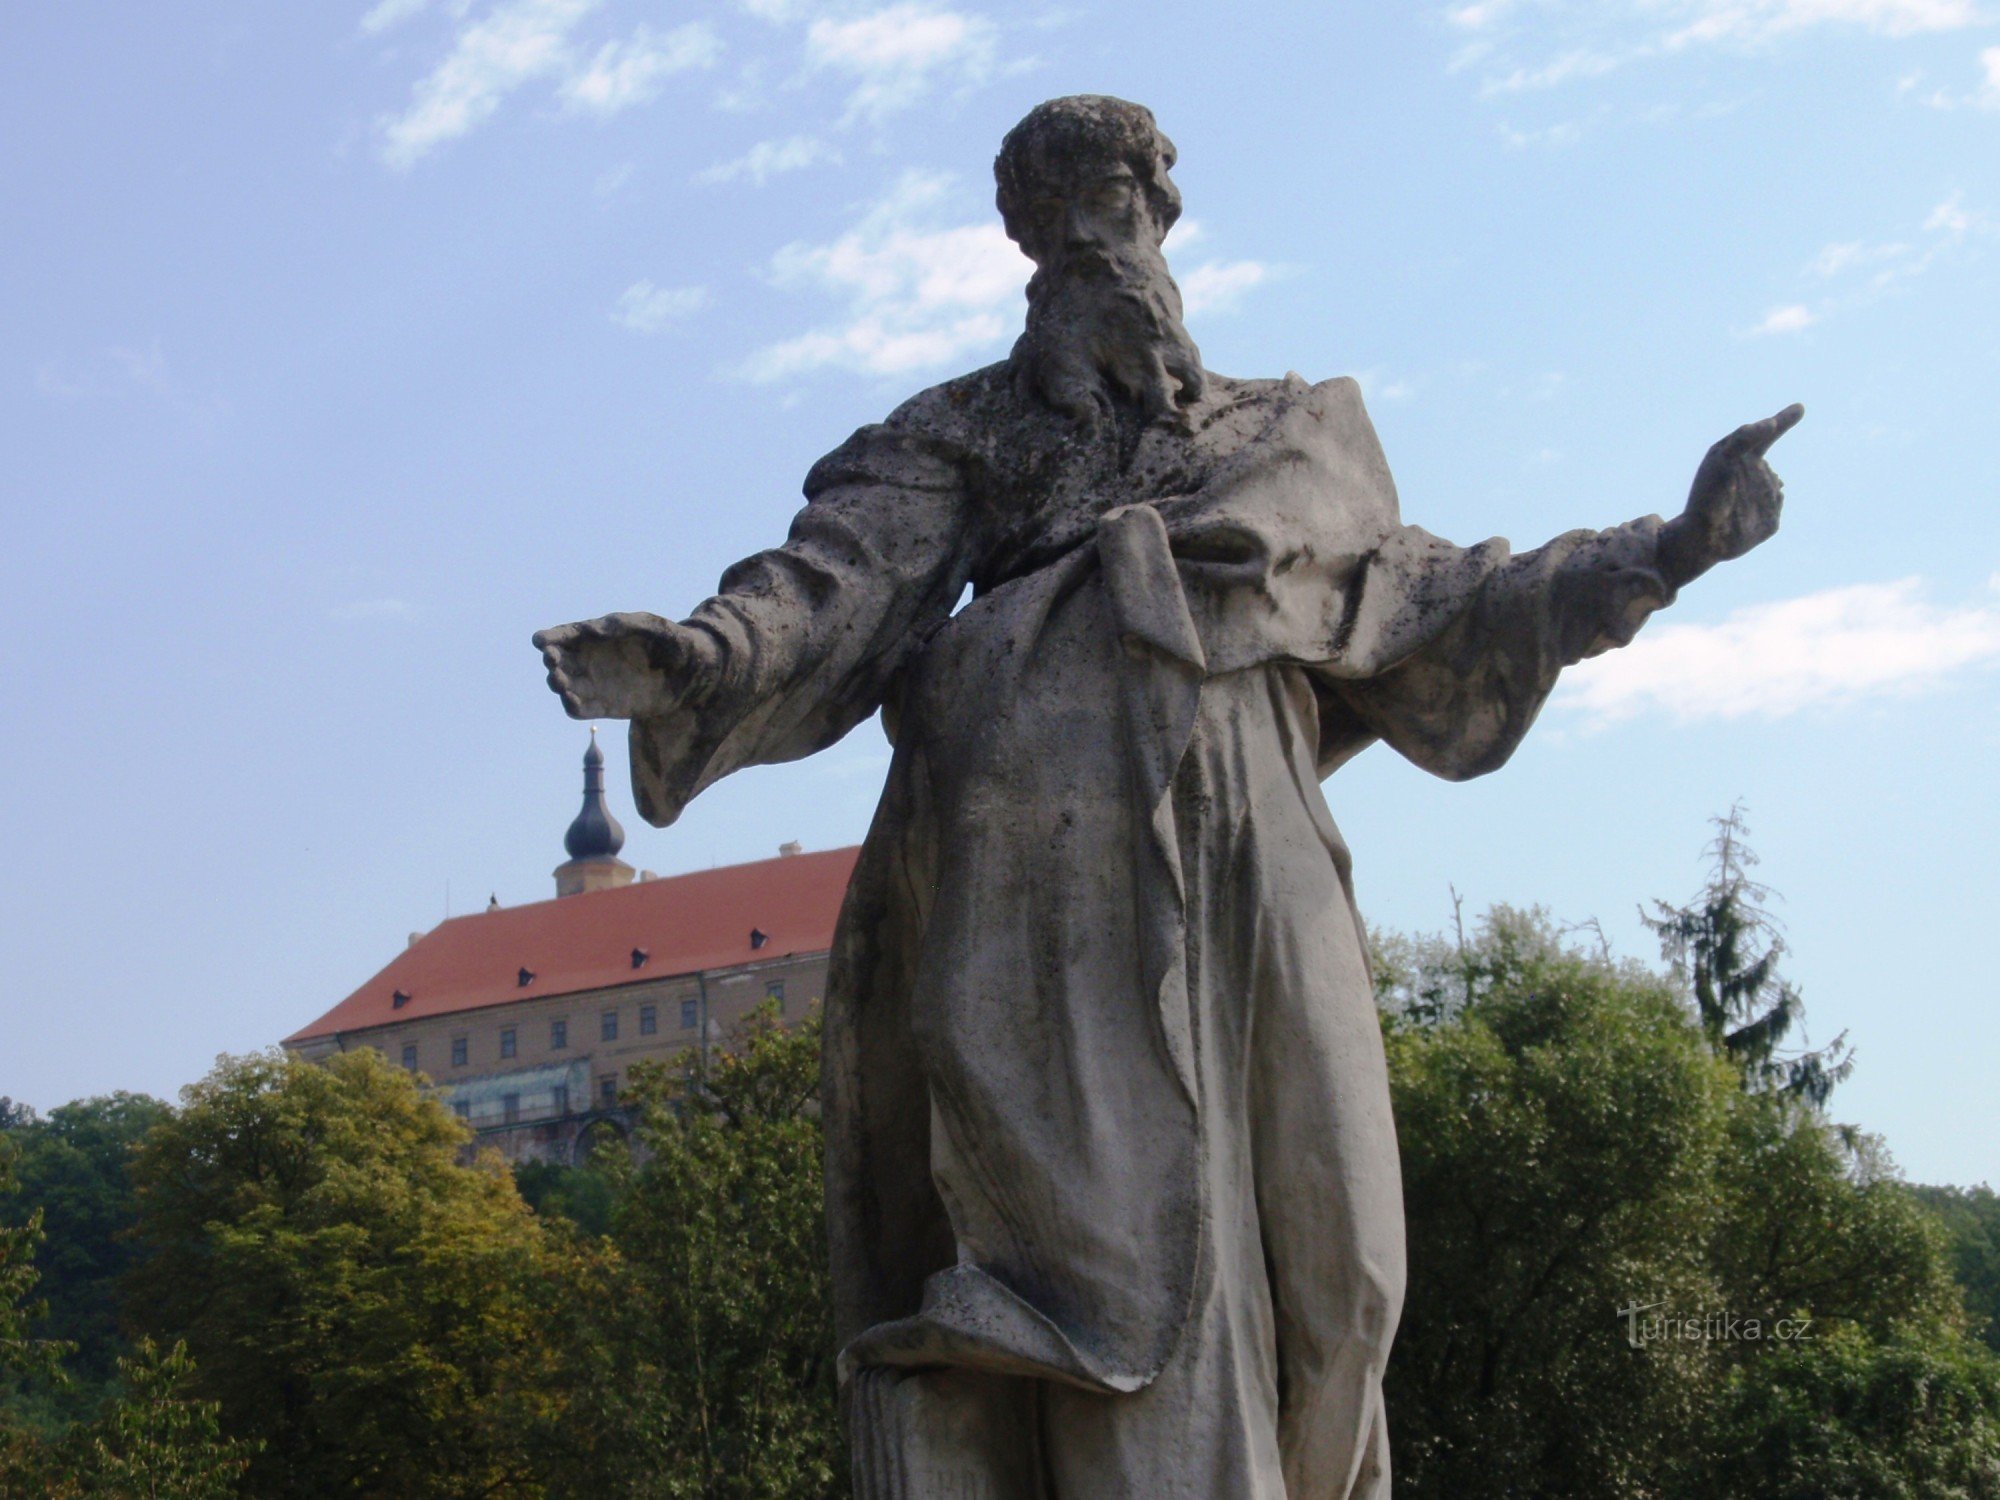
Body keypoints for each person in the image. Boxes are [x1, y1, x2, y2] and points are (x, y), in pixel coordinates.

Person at [535, 94, 1800, 1499]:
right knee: (1108, 1272)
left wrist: (1671, 548)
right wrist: (703, 655)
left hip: (1254, 825)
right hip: (1040, 852)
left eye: (1112, 202)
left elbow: (1438, 597)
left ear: (1159, 217)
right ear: (1023, 242)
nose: (1089, 236)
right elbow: (834, 578)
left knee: (1350, 1263)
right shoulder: (967, 432)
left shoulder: (1287, 436)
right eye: (1056, 215)